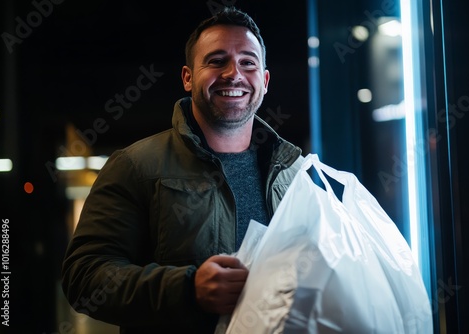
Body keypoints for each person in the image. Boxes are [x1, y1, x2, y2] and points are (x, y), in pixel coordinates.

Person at [61, 6, 304, 334]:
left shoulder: (293, 174)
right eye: (217, 61)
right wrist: (187, 289)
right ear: (188, 78)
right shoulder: (136, 165)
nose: (234, 73)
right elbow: (84, 278)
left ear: (264, 80)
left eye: (248, 62)